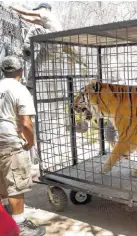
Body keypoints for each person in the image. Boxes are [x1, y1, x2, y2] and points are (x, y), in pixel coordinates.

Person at [0, 55, 46, 235]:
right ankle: (21, 226)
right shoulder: (19, 89)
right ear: (21, 71)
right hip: (9, 142)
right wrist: (30, 142)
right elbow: (26, 124)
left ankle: (5, 222)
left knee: (2, 183)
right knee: (16, 184)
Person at [10, 2, 63, 93]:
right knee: (36, 65)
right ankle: (30, 88)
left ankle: (26, 51)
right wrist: (20, 16)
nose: (37, 11)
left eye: (38, 10)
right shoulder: (46, 20)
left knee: (35, 29)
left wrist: (13, 7)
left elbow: (27, 12)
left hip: (53, 39)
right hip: (54, 47)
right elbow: (31, 20)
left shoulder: (46, 13)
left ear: (43, 8)